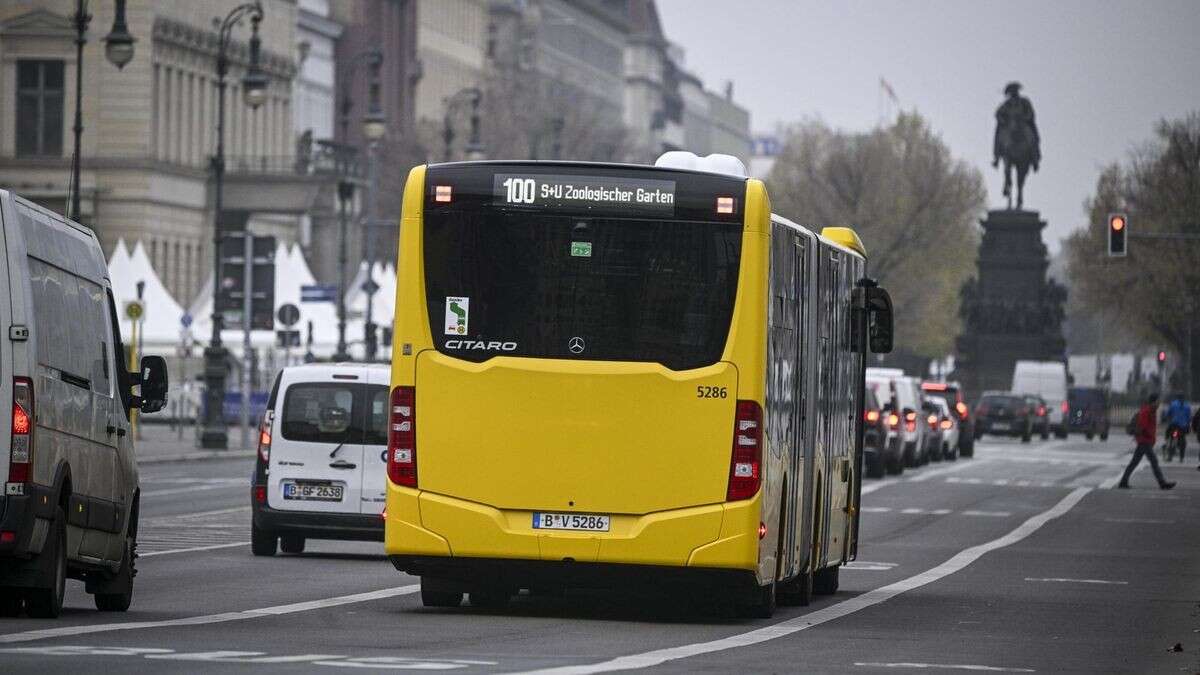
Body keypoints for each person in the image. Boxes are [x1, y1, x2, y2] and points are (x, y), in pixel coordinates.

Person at [1118, 393, 1175, 489]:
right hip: (1144, 441)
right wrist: (1148, 436)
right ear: (1153, 402)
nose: (1159, 403)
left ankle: (1123, 481)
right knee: (1154, 461)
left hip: (1146, 441)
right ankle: (1162, 483)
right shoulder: (1146, 411)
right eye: (1157, 401)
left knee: (1134, 462)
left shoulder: (1152, 411)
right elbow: (1143, 427)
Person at [1162, 393, 1192, 461]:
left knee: (1173, 439)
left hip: (1175, 427)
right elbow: (1189, 417)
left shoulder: (1173, 404)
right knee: (1183, 440)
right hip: (1183, 428)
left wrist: (1168, 418)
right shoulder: (1187, 405)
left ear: (1177, 397)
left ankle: (1170, 456)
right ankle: (1181, 457)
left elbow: (1168, 414)